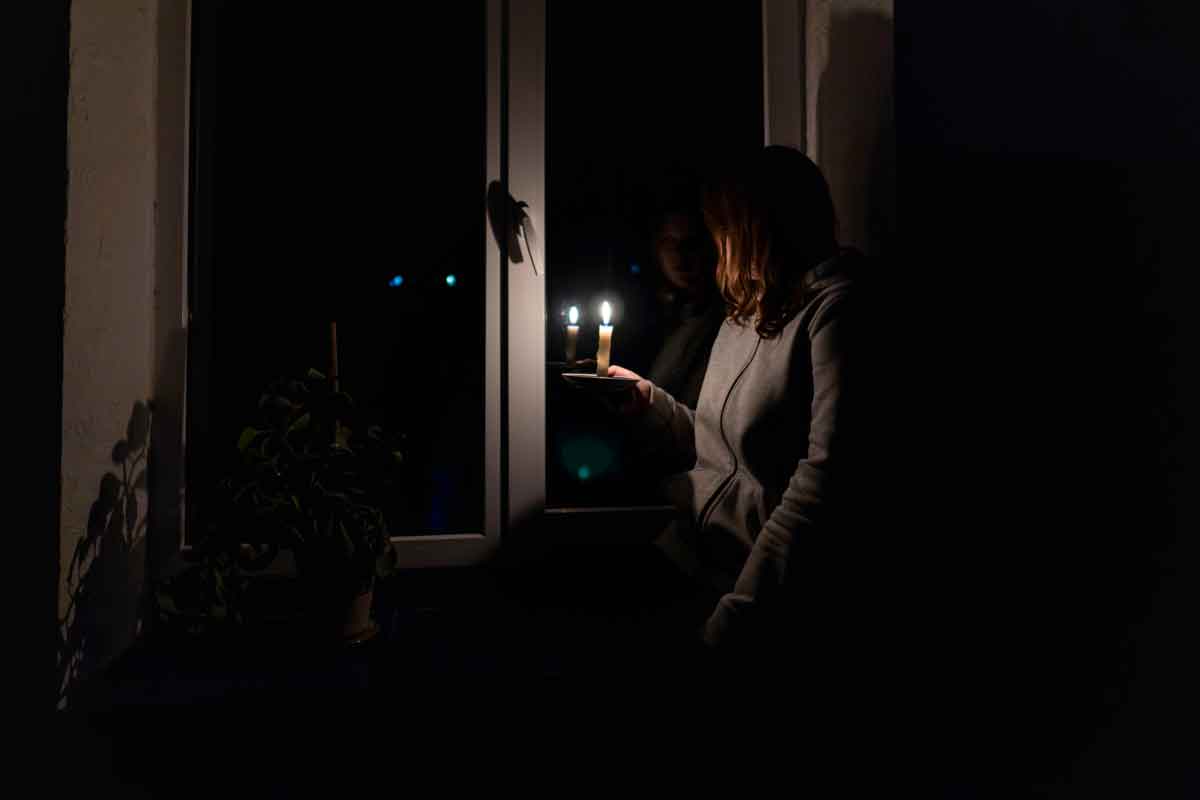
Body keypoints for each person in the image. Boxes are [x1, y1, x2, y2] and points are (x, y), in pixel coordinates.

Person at [608, 145, 875, 676]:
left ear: (755, 230)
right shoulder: (747, 313)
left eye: (721, 230)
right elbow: (718, 449)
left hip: (761, 598)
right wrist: (652, 405)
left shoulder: (838, 314)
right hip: (689, 559)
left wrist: (733, 618)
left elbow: (820, 491)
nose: (713, 247)